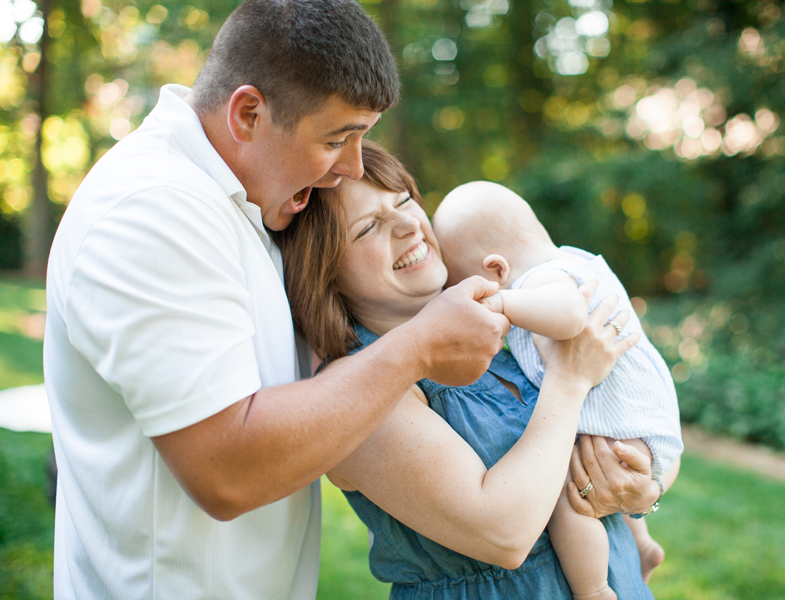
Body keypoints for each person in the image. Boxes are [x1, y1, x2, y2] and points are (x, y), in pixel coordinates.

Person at [43, 2, 510, 599]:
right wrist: (417, 350)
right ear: (248, 113)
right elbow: (227, 471)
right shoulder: (153, 213)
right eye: (337, 139)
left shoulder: (244, 198)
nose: (352, 167)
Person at [274, 140, 664, 600]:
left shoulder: (505, 317)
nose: (408, 225)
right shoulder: (353, 389)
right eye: (367, 229)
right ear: (324, 272)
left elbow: (608, 434)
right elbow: (505, 534)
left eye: (403, 200)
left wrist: (639, 492)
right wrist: (571, 378)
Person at [432, 181, 683, 597]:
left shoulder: (542, 280)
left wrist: (500, 305)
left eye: (471, 287)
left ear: (497, 270)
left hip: (625, 428)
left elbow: (568, 317)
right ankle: (642, 544)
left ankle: (594, 588)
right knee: (591, 470)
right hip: (641, 420)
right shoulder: (576, 262)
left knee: (568, 497)